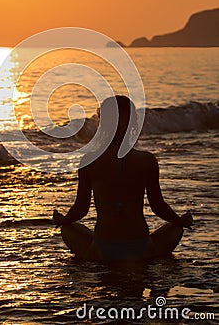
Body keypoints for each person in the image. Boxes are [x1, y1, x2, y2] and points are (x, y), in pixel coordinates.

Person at [53, 95, 193, 262]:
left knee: (68, 228)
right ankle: (148, 252)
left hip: (103, 248)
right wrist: (179, 220)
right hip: (141, 246)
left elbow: (81, 208)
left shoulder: (89, 161)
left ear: (102, 123)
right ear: (133, 124)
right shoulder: (146, 160)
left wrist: (64, 220)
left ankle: (96, 254)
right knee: (175, 229)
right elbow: (158, 205)